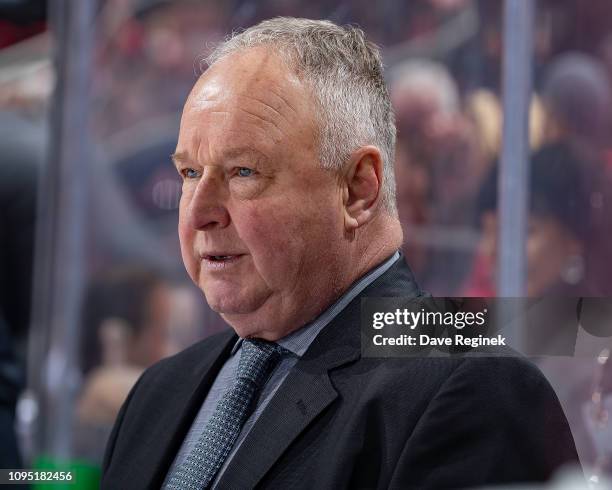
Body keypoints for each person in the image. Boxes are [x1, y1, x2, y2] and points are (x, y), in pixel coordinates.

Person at [102, 18, 579, 489]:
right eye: (189, 173)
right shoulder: (157, 394)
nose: (198, 213)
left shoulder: (474, 391)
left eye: (244, 171)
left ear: (357, 188)